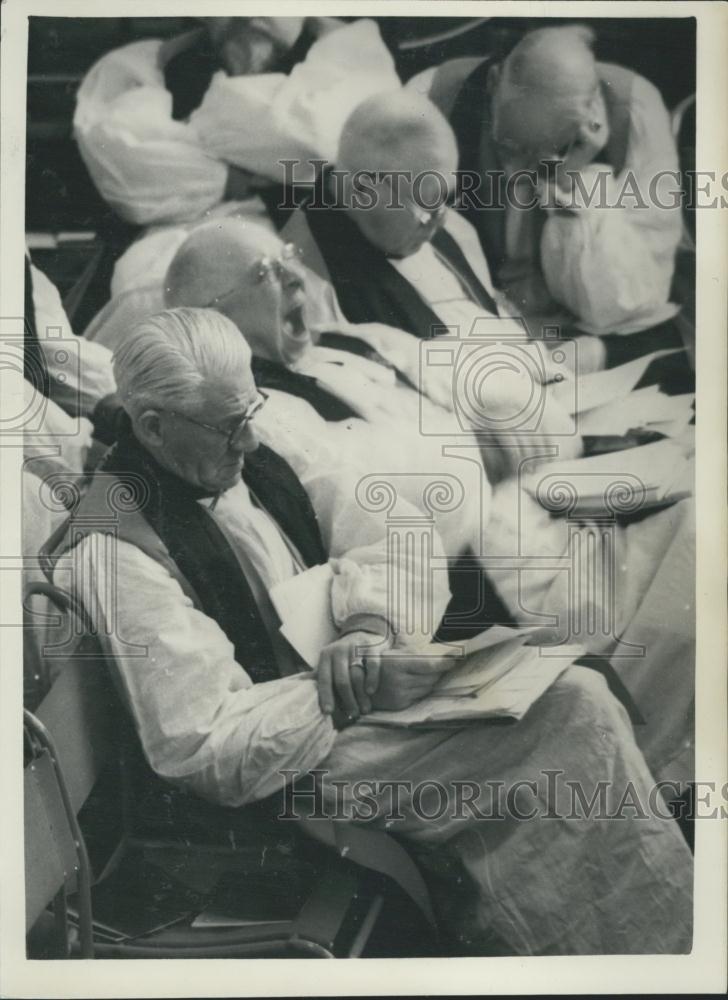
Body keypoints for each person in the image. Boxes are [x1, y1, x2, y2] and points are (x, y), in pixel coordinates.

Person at [44, 306, 692, 955]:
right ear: (152, 427)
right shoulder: (116, 549)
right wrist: (358, 687)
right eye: (227, 427)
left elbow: (399, 531)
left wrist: (370, 627)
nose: (248, 440)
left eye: (250, 412)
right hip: (292, 765)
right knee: (573, 716)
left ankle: (637, 942)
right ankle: (619, 952)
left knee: (577, 695)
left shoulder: (248, 441)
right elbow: (204, 744)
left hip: (357, 693)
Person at [282, 89, 582, 473]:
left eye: (446, 198)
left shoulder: (439, 226)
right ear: (360, 193)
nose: (440, 221)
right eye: (425, 208)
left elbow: (492, 318)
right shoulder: (309, 292)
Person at [73, 17, 401, 313]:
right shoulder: (147, 63)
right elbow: (128, 167)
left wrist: (194, 137)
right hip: (183, 245)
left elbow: (316, 136)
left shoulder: (352, 53)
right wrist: (237, 173)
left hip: (316, 245)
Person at [410, 24, 685, 370]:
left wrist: (572, 183)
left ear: (588, 119)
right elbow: (408, 258)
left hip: (584, 340)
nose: (519, 170)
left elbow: (617, 308)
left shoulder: (634, 110)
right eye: (511, 145)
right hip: (471, 325)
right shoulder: (433, 96)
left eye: (548, 152)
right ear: (494, 83)